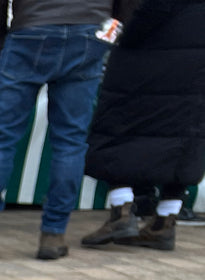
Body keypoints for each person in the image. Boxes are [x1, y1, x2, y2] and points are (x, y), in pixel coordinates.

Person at [0, 0, 127, 260]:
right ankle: (54, 234)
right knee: (71, 141)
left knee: (2, 140)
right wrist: (111, 27)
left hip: (31, 30)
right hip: (89, 30)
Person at [80, 0, 205, 252]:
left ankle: (122, 211)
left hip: (149, 60)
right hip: (195, 64)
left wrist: (121, 36)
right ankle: (163, 223)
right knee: (184, 137)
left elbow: (151, 12)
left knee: (116, 127)